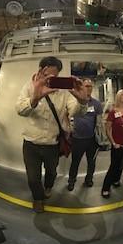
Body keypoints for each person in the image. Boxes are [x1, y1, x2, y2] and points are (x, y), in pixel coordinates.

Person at [16, 57, 88, 213]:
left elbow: (75, 111)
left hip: (52, 145)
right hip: (31, 144)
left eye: (55, 76)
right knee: (33, 178)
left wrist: (83, 101)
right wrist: (35, 97)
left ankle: (48, 187)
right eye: (48, 75)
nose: (51, 79)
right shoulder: (29, 87)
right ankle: (38, 198)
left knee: (52, 172)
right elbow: (20, 110)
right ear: (40, 71)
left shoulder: (63, 93)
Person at [67, 79, 103, 190]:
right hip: (77, 139)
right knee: (75, 162)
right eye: (86, 86)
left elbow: (99, 122)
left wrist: (101, 137)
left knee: (91, 162)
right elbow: (65, 114)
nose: (88, 88)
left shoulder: (96, 104)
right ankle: (71, 181)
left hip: (91, 139)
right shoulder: (74, 102)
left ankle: (89, 179)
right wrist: (69, 128)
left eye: (90, 86)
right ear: (81, 87)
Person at [101, 89, 123, 198]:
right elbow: (108, 129)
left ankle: (116, 180)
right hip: (117, 144)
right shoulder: (113, 112)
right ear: (118, 97)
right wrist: (113, 143)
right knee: (114, 166)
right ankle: (105, 188)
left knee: (122, 164)